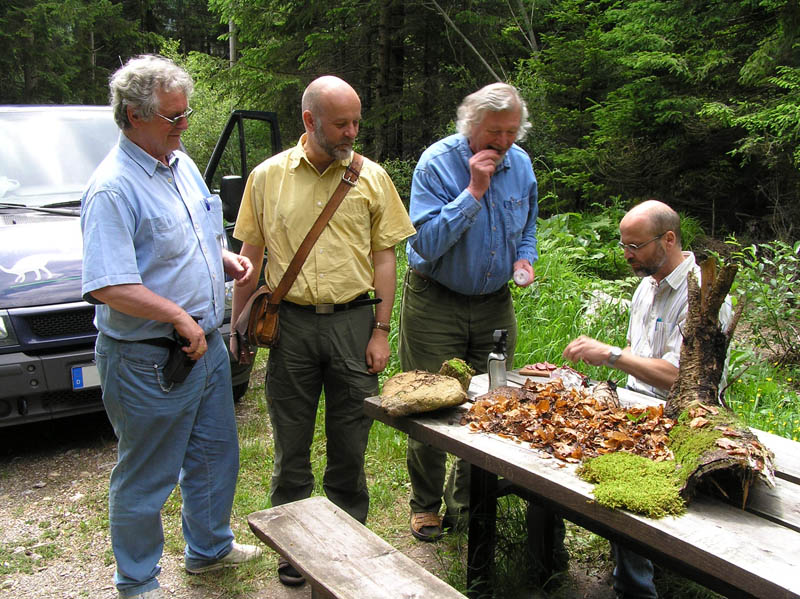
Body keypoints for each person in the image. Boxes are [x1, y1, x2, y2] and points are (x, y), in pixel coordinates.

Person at [80, 55, 263, 599]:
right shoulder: (112, 189)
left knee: (214, 453)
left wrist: (223, 257)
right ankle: (136, 582)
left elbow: (192, 232)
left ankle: (209, 550)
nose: (184, 126)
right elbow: (109, 285)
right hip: (149, 357)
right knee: (147, 473)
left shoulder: (176, 161)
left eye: (186, 114)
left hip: (201, 347)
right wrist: (181, 316)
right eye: (173, 117)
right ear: (134, 116)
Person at [230, 75, 415, 586]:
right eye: (341, 123)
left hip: (355, 324)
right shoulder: (266, 177)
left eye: (357, 121)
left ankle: (347, 542)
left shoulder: (372, 177)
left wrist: (380, 330)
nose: (352, 131)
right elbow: (250, 257)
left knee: (350, 442)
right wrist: (237, 329)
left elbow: (385, 259)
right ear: (309, 121)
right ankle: (296, 546)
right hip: (289, 327)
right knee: (291, 445)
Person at [563, 199, 733, 599]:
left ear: (668, 239)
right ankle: (545, 561)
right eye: (624, 245)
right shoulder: (645, 286)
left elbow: (680, 377)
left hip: (686, 419)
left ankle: (636, 590)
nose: (626, 255)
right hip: (638, 409)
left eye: (634, 246)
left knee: (627, 482)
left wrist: (611, 355)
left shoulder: (704, 297)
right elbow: (636, 359)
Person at [399, 82, 539, 542]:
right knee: (430, 402)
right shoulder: (437, 164)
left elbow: (529, 226)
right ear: (471, 127)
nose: (504, 143)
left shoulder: (521, 166)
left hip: (495, 303)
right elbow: (425, 245)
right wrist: (474, 191)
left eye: (512, 133)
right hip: (436, 301)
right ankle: (425, 505)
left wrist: (525, 258)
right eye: (495, 132)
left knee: (491, 401)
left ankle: (467, 501)